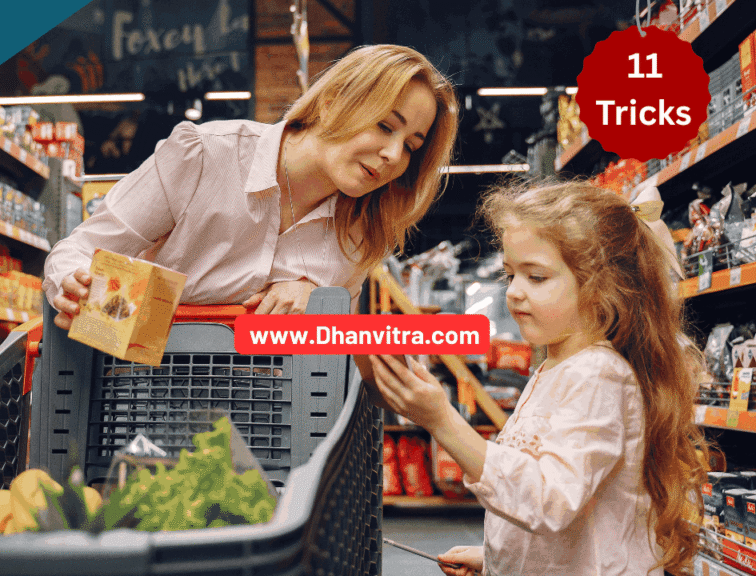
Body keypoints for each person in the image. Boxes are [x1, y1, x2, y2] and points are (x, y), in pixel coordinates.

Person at [368, 180, 708, 576]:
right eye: (510, 274)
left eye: (536, 277)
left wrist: (442, 421)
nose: (513, 292)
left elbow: (551, 499)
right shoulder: (555, 366)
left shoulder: (598, 375)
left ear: (601, 289)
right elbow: (557, 503)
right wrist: (496, 559)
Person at [44, 44, 459, 328]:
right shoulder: (205, 156)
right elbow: (80, 250)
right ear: (332, 104)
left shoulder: (362, 232)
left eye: (411, 146)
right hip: (139, 406)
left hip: (272, 434)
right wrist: (75, 285)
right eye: (385, 126)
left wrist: (317, 301)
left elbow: (329, 364)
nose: (393, 154)